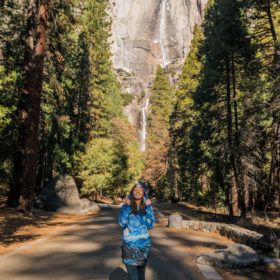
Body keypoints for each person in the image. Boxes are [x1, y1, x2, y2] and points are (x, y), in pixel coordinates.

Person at [118, 183, 155, 280]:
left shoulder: (147, 206)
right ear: (131, 193)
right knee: (134, 277)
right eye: (135, 190)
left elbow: (150, 225)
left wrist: (148, 208)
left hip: (143, 246)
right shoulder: (126, 206)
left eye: (140, 190)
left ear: (143, 192)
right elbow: (122, 223)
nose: (137, 191)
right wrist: (127, 207)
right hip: (129, 246)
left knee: (141, 276)